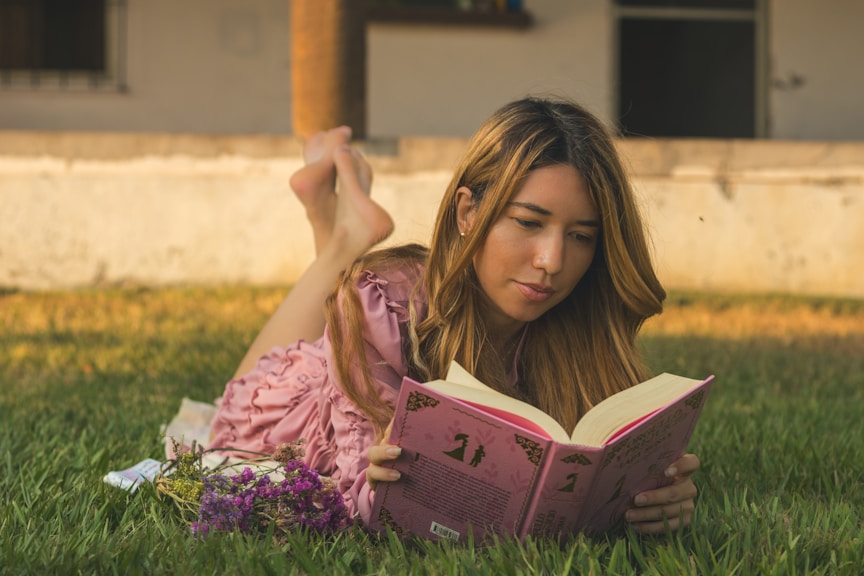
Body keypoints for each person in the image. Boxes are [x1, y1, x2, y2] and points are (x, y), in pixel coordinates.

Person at [206, 97, 700, 535]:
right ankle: (344, 233)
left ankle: (331, 211)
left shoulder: (580, 326)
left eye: (581, 236)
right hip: (296, 415)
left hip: (361, 352)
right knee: (289, 362)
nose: (552, 261)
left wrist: (656, 498)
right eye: (528, 222)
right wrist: (374, 486)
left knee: (347, 325)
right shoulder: (381, 305)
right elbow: (355, 486)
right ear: (467, 213)